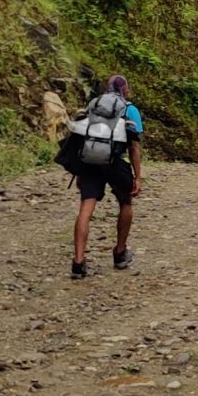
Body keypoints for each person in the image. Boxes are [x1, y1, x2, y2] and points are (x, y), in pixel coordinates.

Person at [71, 74, 143, 279]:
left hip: (90, 162)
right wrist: (137, 177)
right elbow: (134, 146)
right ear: (123, 89)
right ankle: (120, 253)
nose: (128, 90)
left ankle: (78, 262)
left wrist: (78, 171)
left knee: (86, 208)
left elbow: (80, 137)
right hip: (115, 162)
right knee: (125, 203)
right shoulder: (129, 109)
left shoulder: (93, 105)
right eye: (127, 87)